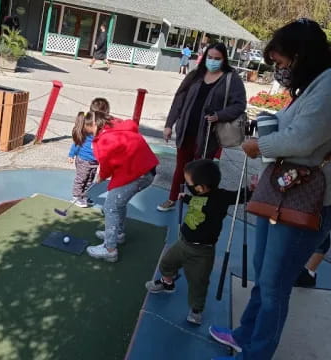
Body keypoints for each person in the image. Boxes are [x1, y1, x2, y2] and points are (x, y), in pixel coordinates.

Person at [209, 19, 331, 360]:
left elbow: (302, 139)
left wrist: (259, 146)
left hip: (306, 202)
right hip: (280, 191)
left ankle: (257, 352)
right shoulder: (312, 86)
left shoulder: (329, 85)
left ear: (300, 55)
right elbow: (294, 134)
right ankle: (245, 335)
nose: (280, 70)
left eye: (281, 63)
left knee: (275, 286)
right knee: (265, 274)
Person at [146, 160, 254, 325]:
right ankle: (167, 283)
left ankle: (196, 309)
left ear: (201, 187)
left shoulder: (222, 197)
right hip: (183, 243)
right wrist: (187, 198)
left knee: (199, 282)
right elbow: (198, 202)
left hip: (203, 252)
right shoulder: (197, 193)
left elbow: (239, 196)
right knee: (167, 263)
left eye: (188, 183)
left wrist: (251, 189)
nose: (186, 185)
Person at [157, 42, 247, 212]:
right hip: (186, 131)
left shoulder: (231, 78)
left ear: (224, 60)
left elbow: (239, 105)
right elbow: (179, 100)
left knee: (202, 174)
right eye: (210, 57)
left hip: (208, 136)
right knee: (181, 169)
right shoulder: (195, 75)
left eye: (217, 59)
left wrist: (220, 115)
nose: (212, 61)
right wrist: (169, 124)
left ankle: (196, 206)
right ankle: (172, 199)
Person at [86, 111, 159, 262]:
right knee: (119, 202)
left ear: (94, 125)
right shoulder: (116, 126)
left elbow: (106, 163)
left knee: (110, 206)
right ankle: (117, 234)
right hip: (145, 170)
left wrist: (102, 176)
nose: (89, 133)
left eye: (88, 129)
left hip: (138, 173)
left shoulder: (105, 138)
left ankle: (110, 249)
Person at [68, 112, 98, 208]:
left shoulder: (99, 135)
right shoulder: (84, 135)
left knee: (89, 180)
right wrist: (71, 155)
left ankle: (83, 196)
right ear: (88, 126)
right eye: (96, 125)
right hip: (83, 161)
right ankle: (76, 196)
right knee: (81, 179)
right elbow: (76, 145)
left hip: (94, 162)